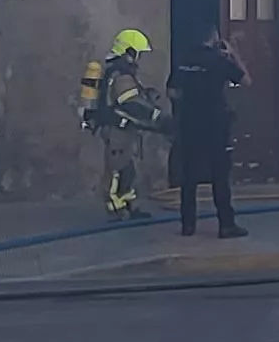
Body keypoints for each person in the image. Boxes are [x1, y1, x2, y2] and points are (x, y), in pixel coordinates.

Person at [166, 26, 248, 238]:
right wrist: (233, 55)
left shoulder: (183, 61)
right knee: (220, 176)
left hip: (190, 124)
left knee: (189, 177)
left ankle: (188, 225)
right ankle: (226, 224)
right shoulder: (219, 61)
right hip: (215, 124)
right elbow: (246, 80)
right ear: (213, 39)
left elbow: (172, 91)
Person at [83, 30, 158, 219]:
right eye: (138, 53)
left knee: (127, 169)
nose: (139, 58)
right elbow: (129, 101)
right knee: (116, 170)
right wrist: (155, 115)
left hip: (120, 129)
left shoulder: (116, 70)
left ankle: (127, 203)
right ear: (129, 52)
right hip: (116, 129)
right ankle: (115, 208)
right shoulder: (121, 74)